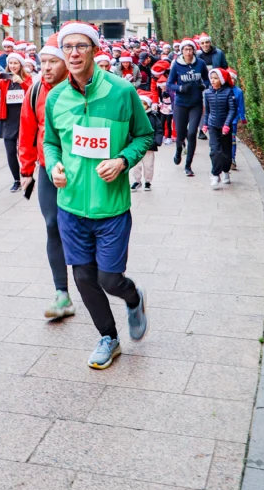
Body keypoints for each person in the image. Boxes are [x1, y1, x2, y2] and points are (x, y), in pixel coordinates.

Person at [43, 21, 153, 370]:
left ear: (94, 50)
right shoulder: (56, 97)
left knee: (109, 278)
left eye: (81, 46)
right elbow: (50, 143)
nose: (73, 54)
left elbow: (145, 136)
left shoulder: (122, 92)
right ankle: (109, 337)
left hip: (111, 208)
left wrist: (122, 161)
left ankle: (133, 298)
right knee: (83, 278)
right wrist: (54, 167)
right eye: (68, 48)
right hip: (71, 206)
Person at [19, 36, 73, 320]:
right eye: (43, 62)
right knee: (53, 225)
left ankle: (96, 283)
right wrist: (27, 171)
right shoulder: (35, 89)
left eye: (53, 61)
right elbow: (27, 130)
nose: (46, 67)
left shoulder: (81, 89)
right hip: (47, 169)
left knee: (81, 229)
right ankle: (62, 293)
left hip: (81, 172)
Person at [0, 51, 31, 192]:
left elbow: (32, 92)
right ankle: (16, 180)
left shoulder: (27, 78)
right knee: (10, 151)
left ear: (20, 65)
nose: (12, 66)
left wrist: (21, 82)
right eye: (10, 63)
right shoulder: (4, 79)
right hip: (8, 119)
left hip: (24, 119)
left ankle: (27, 177)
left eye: (15, 63)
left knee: (24, 152)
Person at [166, 38, 209, 177]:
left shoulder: (200, 63)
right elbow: (169, 84)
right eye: (186, 50)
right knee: (181, 134)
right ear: (182, 51)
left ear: (194, 51)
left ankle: (188, 165)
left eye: (191, 49)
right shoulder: (177, 65)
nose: (188, 52)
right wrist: (180, 88)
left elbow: (207, 78)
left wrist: (205, 85)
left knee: (192, 133)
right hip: (181, 103)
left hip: (195, 103)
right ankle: (179, 150)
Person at [202, 66, 238, 187]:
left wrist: (227, 125)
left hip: (225, 127)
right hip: (213, 126)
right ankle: (215, 174)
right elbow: (207, 111)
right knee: (215, 150)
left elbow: (232, 110)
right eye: (211, 78)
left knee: (226, 152)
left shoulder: (229, 92)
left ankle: (226, 171)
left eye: (215, 78)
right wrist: (205, 123)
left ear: (221, 80)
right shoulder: (207, 93)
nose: (212, 80)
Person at [130, 92, 162, 191]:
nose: (142, 106)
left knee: (148, 165)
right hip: (137, 145)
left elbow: (159, 129)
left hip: (149, 146)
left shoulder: (153, 117)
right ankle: (137, 180)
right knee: (136, 165)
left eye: (144, 104)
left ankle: (148, 181)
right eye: (140, 103)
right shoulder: (134, 116)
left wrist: (157, 141)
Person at [230, 70, 247, 170]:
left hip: (234, 120)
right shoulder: (223, 90)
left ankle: (232, 158)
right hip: (223, 120)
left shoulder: (238, 92)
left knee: (232, 140)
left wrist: (243, 117)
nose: (231, 80)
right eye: (230, 78)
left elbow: (241, 106)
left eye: (233, 78)